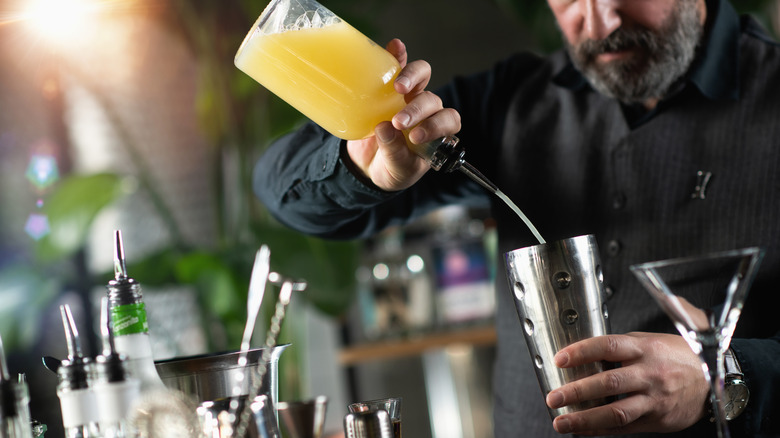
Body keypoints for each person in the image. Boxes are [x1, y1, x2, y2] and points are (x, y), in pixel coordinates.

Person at [252, 0, 780, 436]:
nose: (599, 22)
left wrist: (728, 376)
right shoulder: (513, 100)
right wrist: (363, 169)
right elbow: (281, 192)